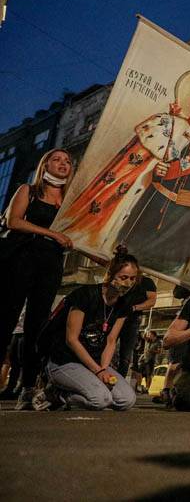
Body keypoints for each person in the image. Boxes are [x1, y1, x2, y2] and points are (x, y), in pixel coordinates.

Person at [58, 73, 190, 278]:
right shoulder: (168, 125)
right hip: (152, 205)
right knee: (131, 256)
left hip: (184, 221)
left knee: (170, 265)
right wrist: (155, 170)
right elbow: (137, 162)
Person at [0, 149, 75, 409]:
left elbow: (77, 237)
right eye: (57, 159)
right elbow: (13, 222)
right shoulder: (28, 190)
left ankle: (28, 388)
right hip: (22, 258)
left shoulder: (69, 201)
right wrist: (52, 234)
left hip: (50, 264)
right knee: (7, 319)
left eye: (67, 161)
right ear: (45, 164)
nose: (63, 163)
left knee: (37, 327)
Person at [40, 252, 140, 411]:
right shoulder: (85, 295)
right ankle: (56, 394)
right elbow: (71, 340)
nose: (128, 283)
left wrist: (104, 369)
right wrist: (98, 371)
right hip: (65, 361)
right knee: (100, 400)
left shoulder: (124, 305)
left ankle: (75, 391)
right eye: (124, 277)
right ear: (110, 275)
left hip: (95, 363)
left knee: (126, 400)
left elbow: (111, 340)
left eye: (132, 279)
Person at [115, 266, 156, 381]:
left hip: (132, 319)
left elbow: (152, 300)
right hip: (115, 315)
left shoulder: (146, 282)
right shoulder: (121, 277)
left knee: (126, 354)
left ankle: (119, 381)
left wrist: (135, 308)